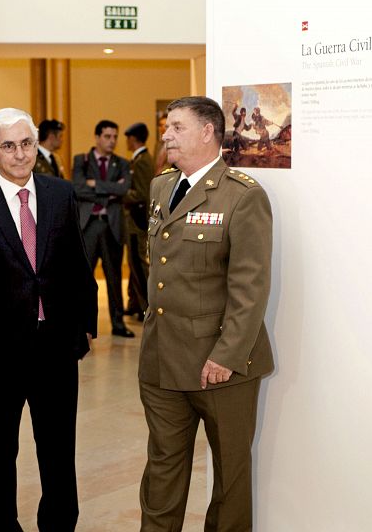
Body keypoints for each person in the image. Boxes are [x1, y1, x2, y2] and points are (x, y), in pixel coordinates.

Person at [0, 107, 98, 531]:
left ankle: (59, 524)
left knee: (57, 451)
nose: (19, 154)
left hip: (56, 348)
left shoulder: (60, 193)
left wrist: (85, 326)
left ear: (36, 145)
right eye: (9, 146)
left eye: (26, 143)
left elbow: (77, 263)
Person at [138, 96, 274, 531]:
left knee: (230, 479)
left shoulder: (243, 196)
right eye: (166, 127)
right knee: (162, 472)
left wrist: (227, 356)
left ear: (207, 132)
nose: (166, 135)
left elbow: (249, 288)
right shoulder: (162, 186)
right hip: (163, 359)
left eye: (176, 127)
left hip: (220, 366)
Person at [73, 120, 134, 337]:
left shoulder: (122, 163)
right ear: (97, 137)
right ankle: (83, 326)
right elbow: (78, 189)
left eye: (115, 137)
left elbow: (124, 188)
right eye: (107, 136)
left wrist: (95, 185)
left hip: (111, 226)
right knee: (84, 279)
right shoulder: (81, 160)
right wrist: (110, 191)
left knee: (114, 277)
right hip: (88, 225)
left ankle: (118, 324)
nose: (112, 141)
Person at [122, 122, 153, 320]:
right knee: (133, 264)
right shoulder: (138, 159)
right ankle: (134, 302)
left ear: (133, 139)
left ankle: (147, 307)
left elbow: (141, 193)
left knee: (139, 264)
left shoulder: (142, 161)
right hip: (134, 218)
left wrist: (120, 193)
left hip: (136, 219)